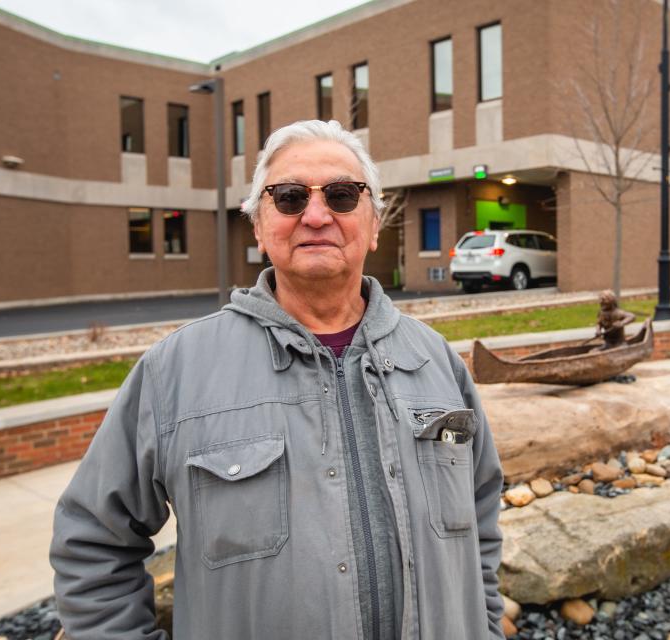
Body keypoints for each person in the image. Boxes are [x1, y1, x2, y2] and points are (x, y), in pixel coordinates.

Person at [50, 119, 505, 639]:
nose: (316, 215)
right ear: (259, 227)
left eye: (341, 195)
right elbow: (92, 540)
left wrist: (486, 627)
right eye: (288, 197)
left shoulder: (437, 362)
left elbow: (480, 517)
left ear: (375, 224)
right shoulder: (174, 372)